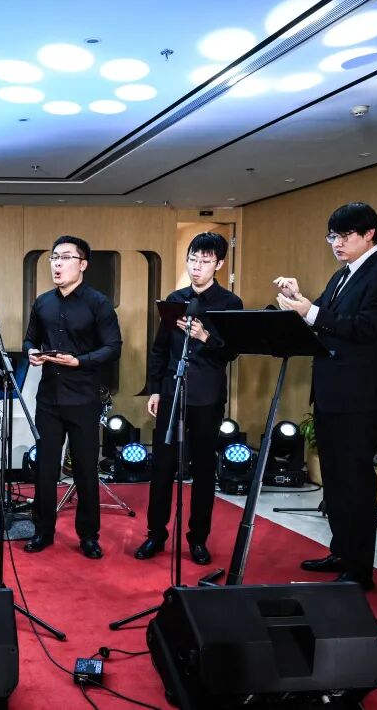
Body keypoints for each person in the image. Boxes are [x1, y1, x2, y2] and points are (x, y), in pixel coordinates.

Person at [275, 202, 377, 590]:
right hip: (332, 392)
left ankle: (359, 570)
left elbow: (366, 327)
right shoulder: (343, 274)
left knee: (354, 480)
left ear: (369, 234)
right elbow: (325, 320)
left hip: (362, 394)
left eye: (344, 235)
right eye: (332, 236)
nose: (336, 243)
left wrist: (310, 312)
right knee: (333, 479)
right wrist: (299, 300)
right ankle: (341, 551)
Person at [135, 232, 243, 565]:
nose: (197, 266)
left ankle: (198, 539)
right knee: (162, 467)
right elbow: (160, 348)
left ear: (219, 264)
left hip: (207, 396)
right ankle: (155, 534)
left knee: (203, 468)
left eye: (205, 261)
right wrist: (155, 388)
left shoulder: (229, 302)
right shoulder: (175, 299)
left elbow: (232, 352)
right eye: (193, 259)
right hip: (172, 391)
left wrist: (205, 336)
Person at [22, 235, 122, 558]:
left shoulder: (98, 303)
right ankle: (42, 531)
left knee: (85, 470)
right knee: (45, 468)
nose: (57, 264)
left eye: (65, 257)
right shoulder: (43, 303)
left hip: (83, 398)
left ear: (83, 264)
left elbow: (113, 347)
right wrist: (32, 352)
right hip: (49, 398)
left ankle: (89, 536)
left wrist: (80, 361)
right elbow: (29, 340)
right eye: (54, 257)